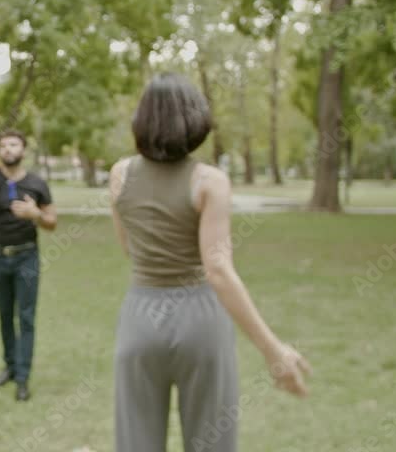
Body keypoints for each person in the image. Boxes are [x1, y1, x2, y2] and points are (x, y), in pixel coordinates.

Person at [108, 72, 311, 451]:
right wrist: (273, 350)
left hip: (140, 316)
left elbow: (129, 250)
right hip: (200, 317)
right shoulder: (209, 181)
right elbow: (217, 269)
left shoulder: (120, 174)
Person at [0, 129, 57, 401]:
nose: (8, 149)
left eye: (13, 144)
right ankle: (9, 366)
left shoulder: (37, 184)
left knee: (26, 317)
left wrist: (35, 214)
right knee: (5, 315)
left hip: (27, 257)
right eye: (3, 145)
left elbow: (52, 222)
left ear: (23, 150)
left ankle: (22, 377)